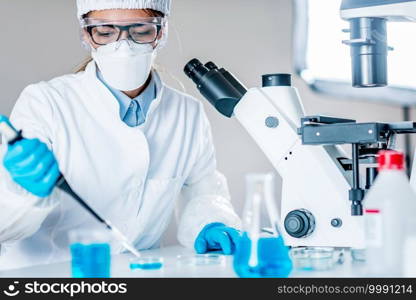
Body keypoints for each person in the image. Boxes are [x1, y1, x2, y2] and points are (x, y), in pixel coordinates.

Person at [0, 0, 241, 270]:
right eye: (105, 32)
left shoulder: (187, 113)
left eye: (141, 31)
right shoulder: (45, 103)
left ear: (161, 33)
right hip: (48, 277)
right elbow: (4, 227)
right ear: (85, 34)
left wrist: (210, 223)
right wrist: (20, 192)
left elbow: (203, 192)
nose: (123, 46)